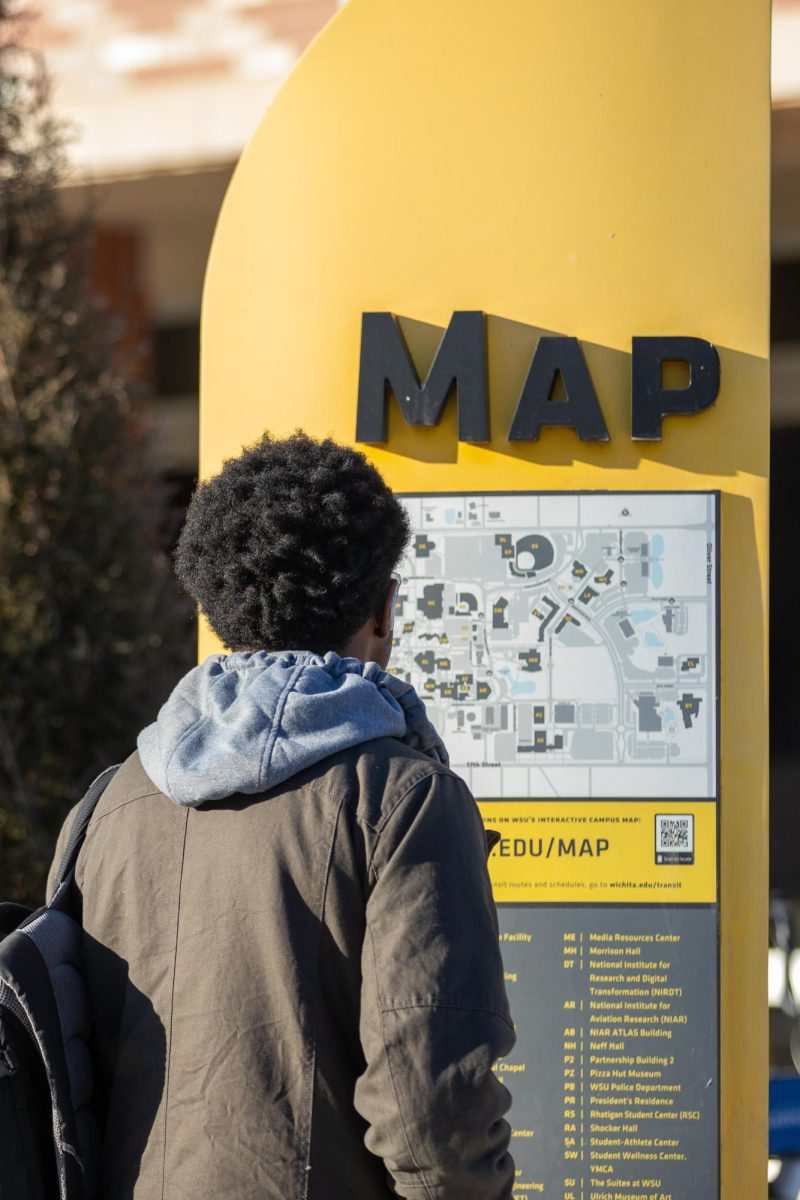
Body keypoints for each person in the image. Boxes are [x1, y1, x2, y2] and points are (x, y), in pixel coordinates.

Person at [48, 432, 516, 1200]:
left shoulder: (110, 803)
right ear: (383, 607)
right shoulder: (402, 797)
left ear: (213, 602)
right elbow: (430, 1113)